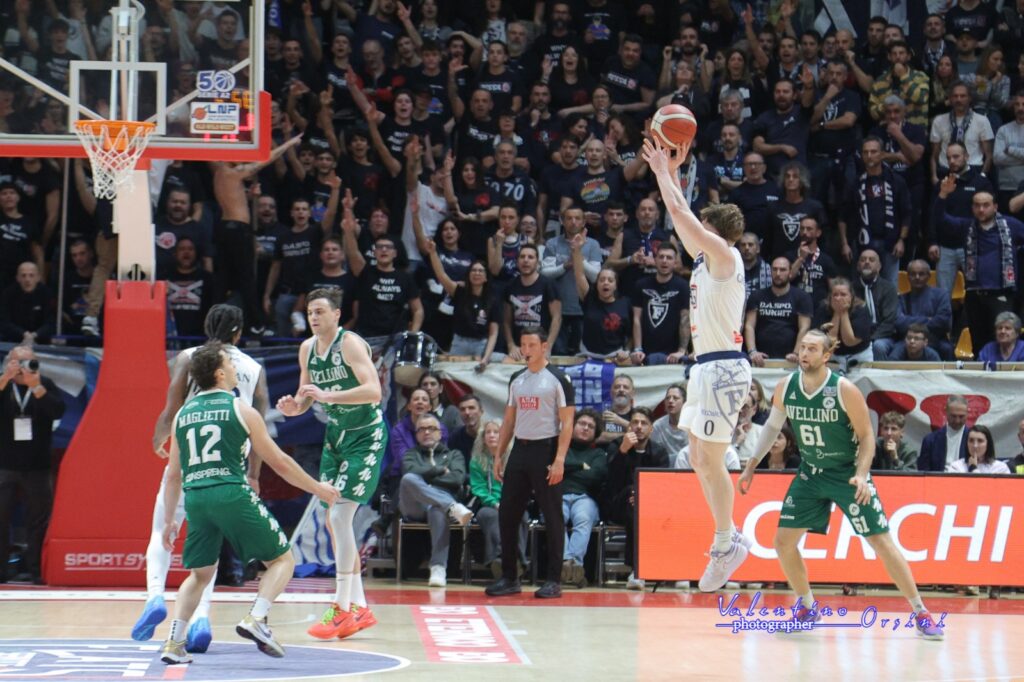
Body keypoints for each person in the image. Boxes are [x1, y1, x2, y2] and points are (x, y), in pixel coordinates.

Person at [737, 329, 944, 639]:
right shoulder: (785, 387)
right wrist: (751, 465)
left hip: (846, 472)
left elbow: (866, 437)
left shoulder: (843, 389)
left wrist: (861, 475)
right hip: (810, 473)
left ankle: (920, 611)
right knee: (782, 542)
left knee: (881, 542)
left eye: (811, 349)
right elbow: (771, 427)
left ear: (826, 356)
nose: (804, 353)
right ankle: (807, 606)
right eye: (802, 346)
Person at [157, 343, 339, 664]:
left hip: (196, 497)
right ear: (219, 373)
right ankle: (257, 618)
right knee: (283, 560)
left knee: (200, 575)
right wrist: (318, 489)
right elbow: (280, 462)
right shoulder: (241, 409)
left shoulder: (183, 414)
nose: (234, 369)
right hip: (230, 491)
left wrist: (170, 519)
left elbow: (173, 475)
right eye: (229, 363)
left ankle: (174, 642)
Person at [643, 136, 753, 592]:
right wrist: (673, 173)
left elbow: (682, 217)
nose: (692, 234)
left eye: (702, 228)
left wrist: (663, 172)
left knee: (710, 459)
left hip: (723, 367)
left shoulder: (726, 256)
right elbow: (685, 219)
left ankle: (728, 541)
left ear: (716, 232)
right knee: (697, 456)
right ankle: (727, 540)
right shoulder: (707, 261)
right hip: (706, 367)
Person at [139, 305, 268, 653]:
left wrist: (159, 438)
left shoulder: (188, 357)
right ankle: (201, 619)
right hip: (231, 463)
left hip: (190, 453)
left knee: (161, 529)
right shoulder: (254, 368)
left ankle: (154, 596)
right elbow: (261, 425)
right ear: (239, 332)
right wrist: (254, 475)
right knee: (208, 545)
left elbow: (171, 408)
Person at [277, 288, 386, 640]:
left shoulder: (350, 344)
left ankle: (340, 609)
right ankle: (360, 607)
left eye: (320, 311)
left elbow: (374, 391)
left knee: (340, 516)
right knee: (333, 519)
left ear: (337, 315)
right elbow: (305, 395)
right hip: (336, 437)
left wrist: (328, 396)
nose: (313, 317)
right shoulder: (307, 348)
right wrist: (295, 407)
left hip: (365, 435)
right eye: (310, 312)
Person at [485, 326, 574, 599]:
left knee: (553, 516)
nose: (526, 350)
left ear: (544, 346)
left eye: (532, 345)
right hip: (520, 452)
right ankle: (510, 578)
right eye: (523, 344)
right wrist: (499, 455)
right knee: (507, 514)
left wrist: (559, 459)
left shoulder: (558, 379)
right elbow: (509, 420)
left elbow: (567, 421)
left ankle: (553, 580)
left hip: (546, 450)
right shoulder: (517, 379)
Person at [935, 178, 1024, 350]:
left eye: (986, 205)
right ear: (972, 208)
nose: (981, 209)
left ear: (995, 207)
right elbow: (941, 220)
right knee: (977, 344)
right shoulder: (966, 226)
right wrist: (943, 194)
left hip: (1002, 293)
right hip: (974, 295)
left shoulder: (1011, 225)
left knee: (1005, 343)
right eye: (977, 205)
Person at [0, 346, 64, 584]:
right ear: (9, 363)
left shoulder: (44, 383)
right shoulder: (3, 385)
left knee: (38, 520)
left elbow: (58, 410)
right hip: (4, 464)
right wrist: (5, 378)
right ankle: (1, 570)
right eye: (19, 362)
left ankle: (36, 570)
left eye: (30, 362)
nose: (24, 367)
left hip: (37, 466)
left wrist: (36, 386)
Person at [399, 413, 472, 588]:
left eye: (431, 428)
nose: (426, 432)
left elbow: (457, 479)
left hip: (436, 507)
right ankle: (453, 507)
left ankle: (438, 568)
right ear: (416, 435)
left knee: (438, 510)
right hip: (414, 506)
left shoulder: (454, 455)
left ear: (440, 433)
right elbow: (409, 471)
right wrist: (439, 470)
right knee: (409, 479)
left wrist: (425, 480)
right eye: (422, 429)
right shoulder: (411, 454)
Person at [602, 406, 669, 591]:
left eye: (644, 423)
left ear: (651, 429)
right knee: (633, 494)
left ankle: (640, 570)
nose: (639, 427)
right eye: (635, 422)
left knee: (638, 506)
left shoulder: (659, 452)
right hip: (617, 504)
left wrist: (641, 497)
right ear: (629, 426)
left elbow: (662, 487)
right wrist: (623, 451)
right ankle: (639, 570)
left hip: (648, 506)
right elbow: (611, 481)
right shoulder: (616, 446)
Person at [469, 419, 526, 579]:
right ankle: (502, 560)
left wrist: (508, 503)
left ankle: (511, 561)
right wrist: (494, 503)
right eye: (488, 432)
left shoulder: (515, 457)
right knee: (492, 516)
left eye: (496, 431)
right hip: (488, 505)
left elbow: (520, 485)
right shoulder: (476, 461)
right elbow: (478, 488)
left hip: (512, 503)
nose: (492, 435)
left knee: (520, 516)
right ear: (483, 437)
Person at [561, 408, 608, 588]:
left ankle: (572, 564)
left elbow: (596, 476)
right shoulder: (560, 448)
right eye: (582, 423)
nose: (585, 428)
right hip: (559, 495)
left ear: (595, 433)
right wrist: (581, 465)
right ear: (572, 426)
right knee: (557, 517)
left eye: (590, 426)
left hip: (585, 497)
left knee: (583, 518)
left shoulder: (598, 455)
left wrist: (567, 471)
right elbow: (554, 467)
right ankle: (569, 564)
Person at [744, 256, 812, 365]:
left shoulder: (802, 297)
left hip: (790, 359)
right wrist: (753, 352)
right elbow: (749, 325)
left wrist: (796, 353)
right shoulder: (757, 295)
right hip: (760, 358)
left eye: (783, 270)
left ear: (790, 272)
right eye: (774, 269)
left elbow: (804, 327)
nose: (778, 273)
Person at [918, 395, 971, 472]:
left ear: (967, 413)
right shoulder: (930, 440)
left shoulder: (975, 440)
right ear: (946, 412)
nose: (957, 421)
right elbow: (924, 472)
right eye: (953, 416)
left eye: (961, 416)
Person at [946, 425, 1010, 473]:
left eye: (980, 441)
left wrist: (973, 469)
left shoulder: (1000, 468)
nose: (975, 445)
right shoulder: (956, 467)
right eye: (971, 440)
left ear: (988, 444)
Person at [650, 384, 689, 457]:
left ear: (684, 403)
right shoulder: (658, 426)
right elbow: (655, 454)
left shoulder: (693, 425)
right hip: (664, 466)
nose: (670, 401)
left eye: (675, 398)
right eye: (667, 398)